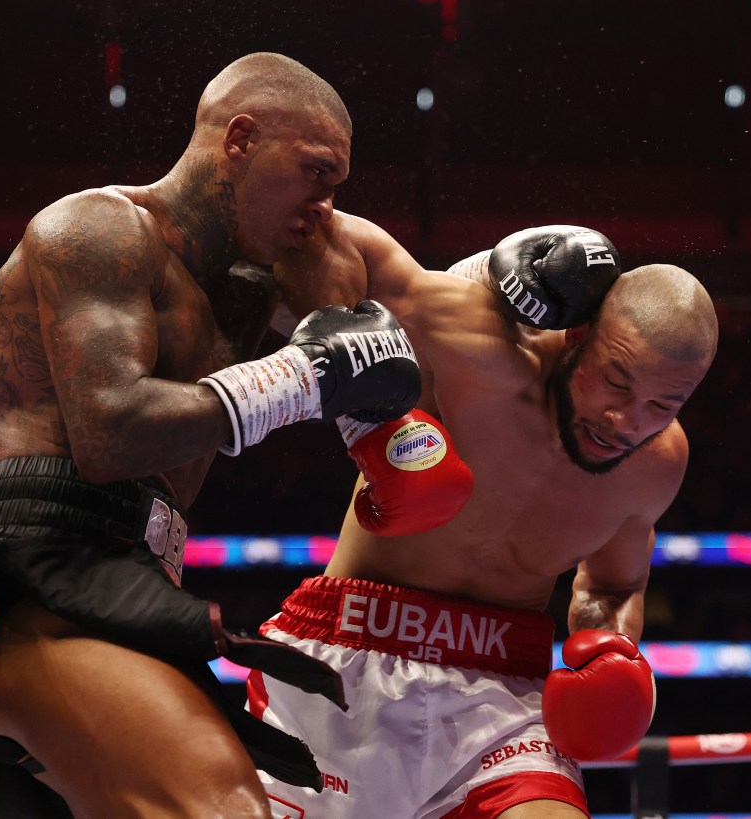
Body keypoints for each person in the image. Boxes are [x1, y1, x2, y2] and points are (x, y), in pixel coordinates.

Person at [0, 54, 423, 818]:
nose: (325, 204)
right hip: (47, 592)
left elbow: (399, 327)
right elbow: (110, 433)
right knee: (224, 810)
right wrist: (306, 374)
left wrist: (338, 334)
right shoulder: (98, 230)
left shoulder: (254, 286)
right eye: (316, 172)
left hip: (139, 591)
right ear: (241, 139)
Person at [246, 213, 719, 817]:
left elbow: (613, 583)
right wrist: (371, 428)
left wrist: (611, 648)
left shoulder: (658, 464)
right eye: (617, 382)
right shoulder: (485, 353)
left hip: (503, 697)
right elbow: (320, 242)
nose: (628, 420)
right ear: (578, 335)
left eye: (664, 403)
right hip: (347, 653)